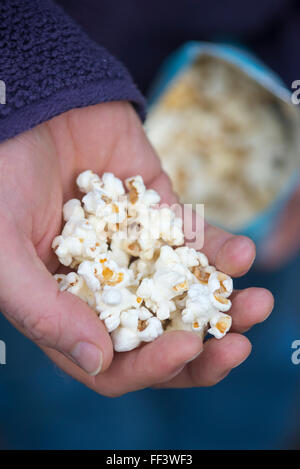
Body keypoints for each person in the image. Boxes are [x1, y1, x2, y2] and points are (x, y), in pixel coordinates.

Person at [0, 0, 274, 398]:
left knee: (251, 359)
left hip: (255, 60)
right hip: (67, 71)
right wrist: (19, 83)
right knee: (60, 383)